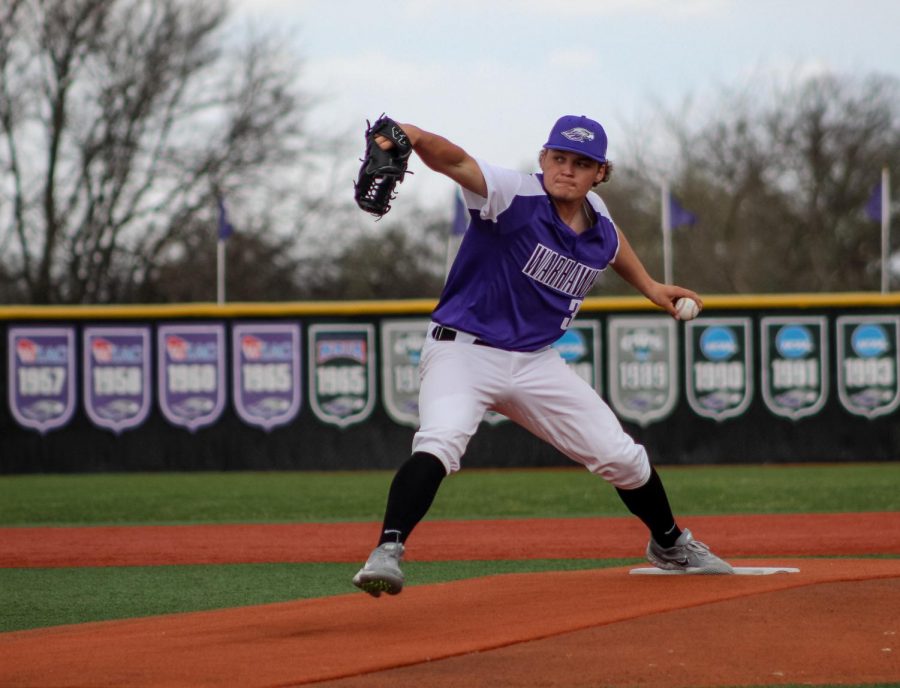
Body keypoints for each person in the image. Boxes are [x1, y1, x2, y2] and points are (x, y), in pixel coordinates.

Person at [352, 114, 733, 597]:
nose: (567, 170)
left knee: (624, 458)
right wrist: (420, 137)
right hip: (463, 352)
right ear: (543, 159)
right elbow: (457, 162)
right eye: (558, 158)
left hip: (534, 360)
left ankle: (670, 544)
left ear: (600, 172)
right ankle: (387, 550)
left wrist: (651, 287)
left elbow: (614, 247)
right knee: (440, 442)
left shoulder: (597, 215)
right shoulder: (514, 195)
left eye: (581, 163)